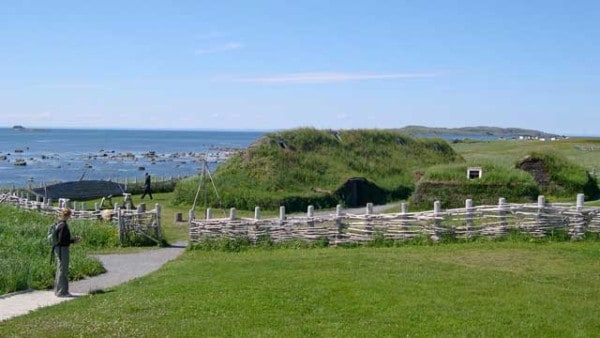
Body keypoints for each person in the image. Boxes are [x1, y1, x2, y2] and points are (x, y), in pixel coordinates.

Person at [54, 208, 81, 297]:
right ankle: (62, 292)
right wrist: (73, 241)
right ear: (67, 215)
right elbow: (62, 240)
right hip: (62, 249)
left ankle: (58, 291)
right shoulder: (63, 226)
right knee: (63, 270)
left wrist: (72, 241)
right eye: (69, 215)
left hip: (59, 249)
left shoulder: (59, 223)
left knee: (60, 269)